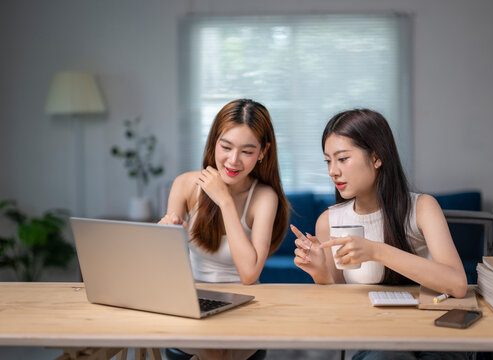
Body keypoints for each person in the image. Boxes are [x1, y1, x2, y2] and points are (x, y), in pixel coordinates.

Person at [292, 109, 470, 360]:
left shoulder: (422, 207)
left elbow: (457, 284)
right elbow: (339, 301)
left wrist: (376, 250)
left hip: (436, 330)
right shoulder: (329, 220)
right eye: (328, 161)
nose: (333, 170)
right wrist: (320, 272)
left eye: (342, 159)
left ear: (376, 158)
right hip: (375, 336)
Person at [159, 99, 288, 360]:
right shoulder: (184, 184)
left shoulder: (264, 197)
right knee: (215, 350)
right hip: (193, 300)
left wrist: (225, 201)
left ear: (263, 151)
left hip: (245, 303)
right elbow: (164, 272)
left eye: (247, 151)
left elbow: (249, 274)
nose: (233, 160)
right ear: (214, 142)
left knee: (221, 350)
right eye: (226, 147)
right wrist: (167, 236)